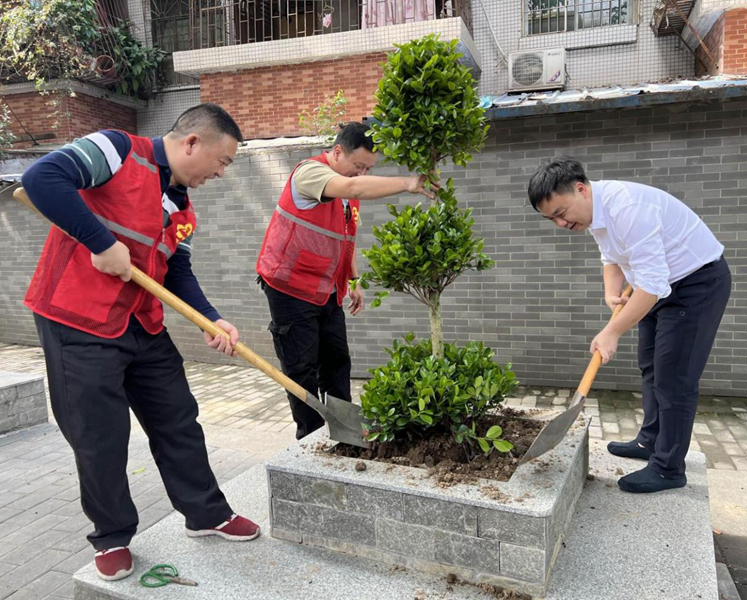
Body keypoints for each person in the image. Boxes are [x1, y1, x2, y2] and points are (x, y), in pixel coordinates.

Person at [21, 104, 260, 582]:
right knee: (99, 437)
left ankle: (206, 513)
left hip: (142, 325)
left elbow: (178, 271)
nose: (220, 173)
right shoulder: (116, 150)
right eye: (223, 161)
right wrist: (99, 242)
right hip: (77, 320)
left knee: (178, 418)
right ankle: (111, 538)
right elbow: (40, 178)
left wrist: (211, 320)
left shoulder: (182, 207)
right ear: (191, 142)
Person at [527, 157, 731, 493]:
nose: (560, 224)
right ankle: (650, 441)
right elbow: (612, 258)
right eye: (551, 219)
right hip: (653, 286)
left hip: (696, 284)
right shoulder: (593, 214)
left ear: (581, 189)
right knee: (650, 365)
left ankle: (668, 469)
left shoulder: (629, 208)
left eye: (561, 213)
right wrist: (611, 292)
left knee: (674, 376)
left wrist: (611, 332)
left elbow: (652, 285)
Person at [256, 122, 438, 439]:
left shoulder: (347, 194)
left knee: (337, 360)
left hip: (326, 289)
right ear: (337, 151)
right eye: (358, 166)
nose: (361, 174)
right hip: (290, 287)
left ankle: (345, 431)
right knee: (302, 368)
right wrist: (408, 182)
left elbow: (345, 238)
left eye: (368, 168)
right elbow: (353, 188)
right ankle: (310, 438)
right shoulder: (309, 173)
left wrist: (353, 281)